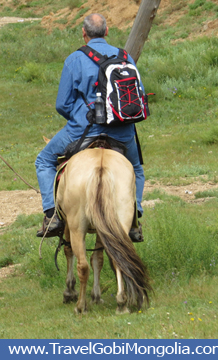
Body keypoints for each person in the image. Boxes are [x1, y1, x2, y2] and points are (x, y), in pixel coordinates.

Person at [34, 13, 145, 242]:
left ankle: (52, 216)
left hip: (83, 131)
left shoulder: (75, 59)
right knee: (136, 168)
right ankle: (134, 220)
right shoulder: (126, 57)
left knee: (43, 161)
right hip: (123, 131)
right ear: (106, 31)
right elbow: (138, 95)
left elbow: (62, 104)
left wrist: (78, 117)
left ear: (83, 34)